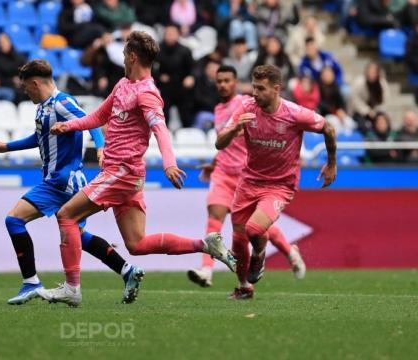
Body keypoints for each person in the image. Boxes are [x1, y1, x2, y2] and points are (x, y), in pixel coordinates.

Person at [40, 31, 237, 307]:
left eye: (124, 55)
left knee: (66, 216)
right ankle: (205, 245)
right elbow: (99, 116)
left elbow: (161, 130)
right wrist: (69, 125)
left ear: (132, 57)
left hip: (121, 172)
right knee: (137, 244)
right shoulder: (123, 85)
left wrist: (169, 164)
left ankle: (72, 289)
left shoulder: (147, 94)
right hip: (125, 175)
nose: (122, 60)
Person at [0, 60, 144, 305]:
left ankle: (31, 281)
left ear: (36, 83)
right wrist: (7, 147)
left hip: (61, 181)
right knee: (79, 234)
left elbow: (93, 122)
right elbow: (40, 138)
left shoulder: (62, 102)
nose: (25, 92)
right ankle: (126, 270)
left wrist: (101, 148)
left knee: (14, 220)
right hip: (62, 181)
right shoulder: (43, 108)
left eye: (26, 87)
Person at [215, 64, 337, 299]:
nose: (255, 93)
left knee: (254, 229)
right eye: (253, 87)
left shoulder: (294, 114)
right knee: (238, 240)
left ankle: (259, 255)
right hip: (249, 181)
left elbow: (329, 128)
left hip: (279, 186)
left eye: (261, 88)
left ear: (276, 89)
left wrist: (331, 162)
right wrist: (236, 128)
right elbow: (219, 143)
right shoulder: (246, 107)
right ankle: (244, 288)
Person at [187, 65, 306, 288]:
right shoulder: (218, 109)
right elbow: (225, 144)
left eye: (227, 81)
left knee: (256, 228)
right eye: (219, 81)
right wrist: (213, 165)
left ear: (235, 82)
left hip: (247, 176)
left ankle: (290, 252)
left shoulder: (248, 104)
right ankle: (207, 270)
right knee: (214, 219)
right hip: (222, 174)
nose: (222, 85)